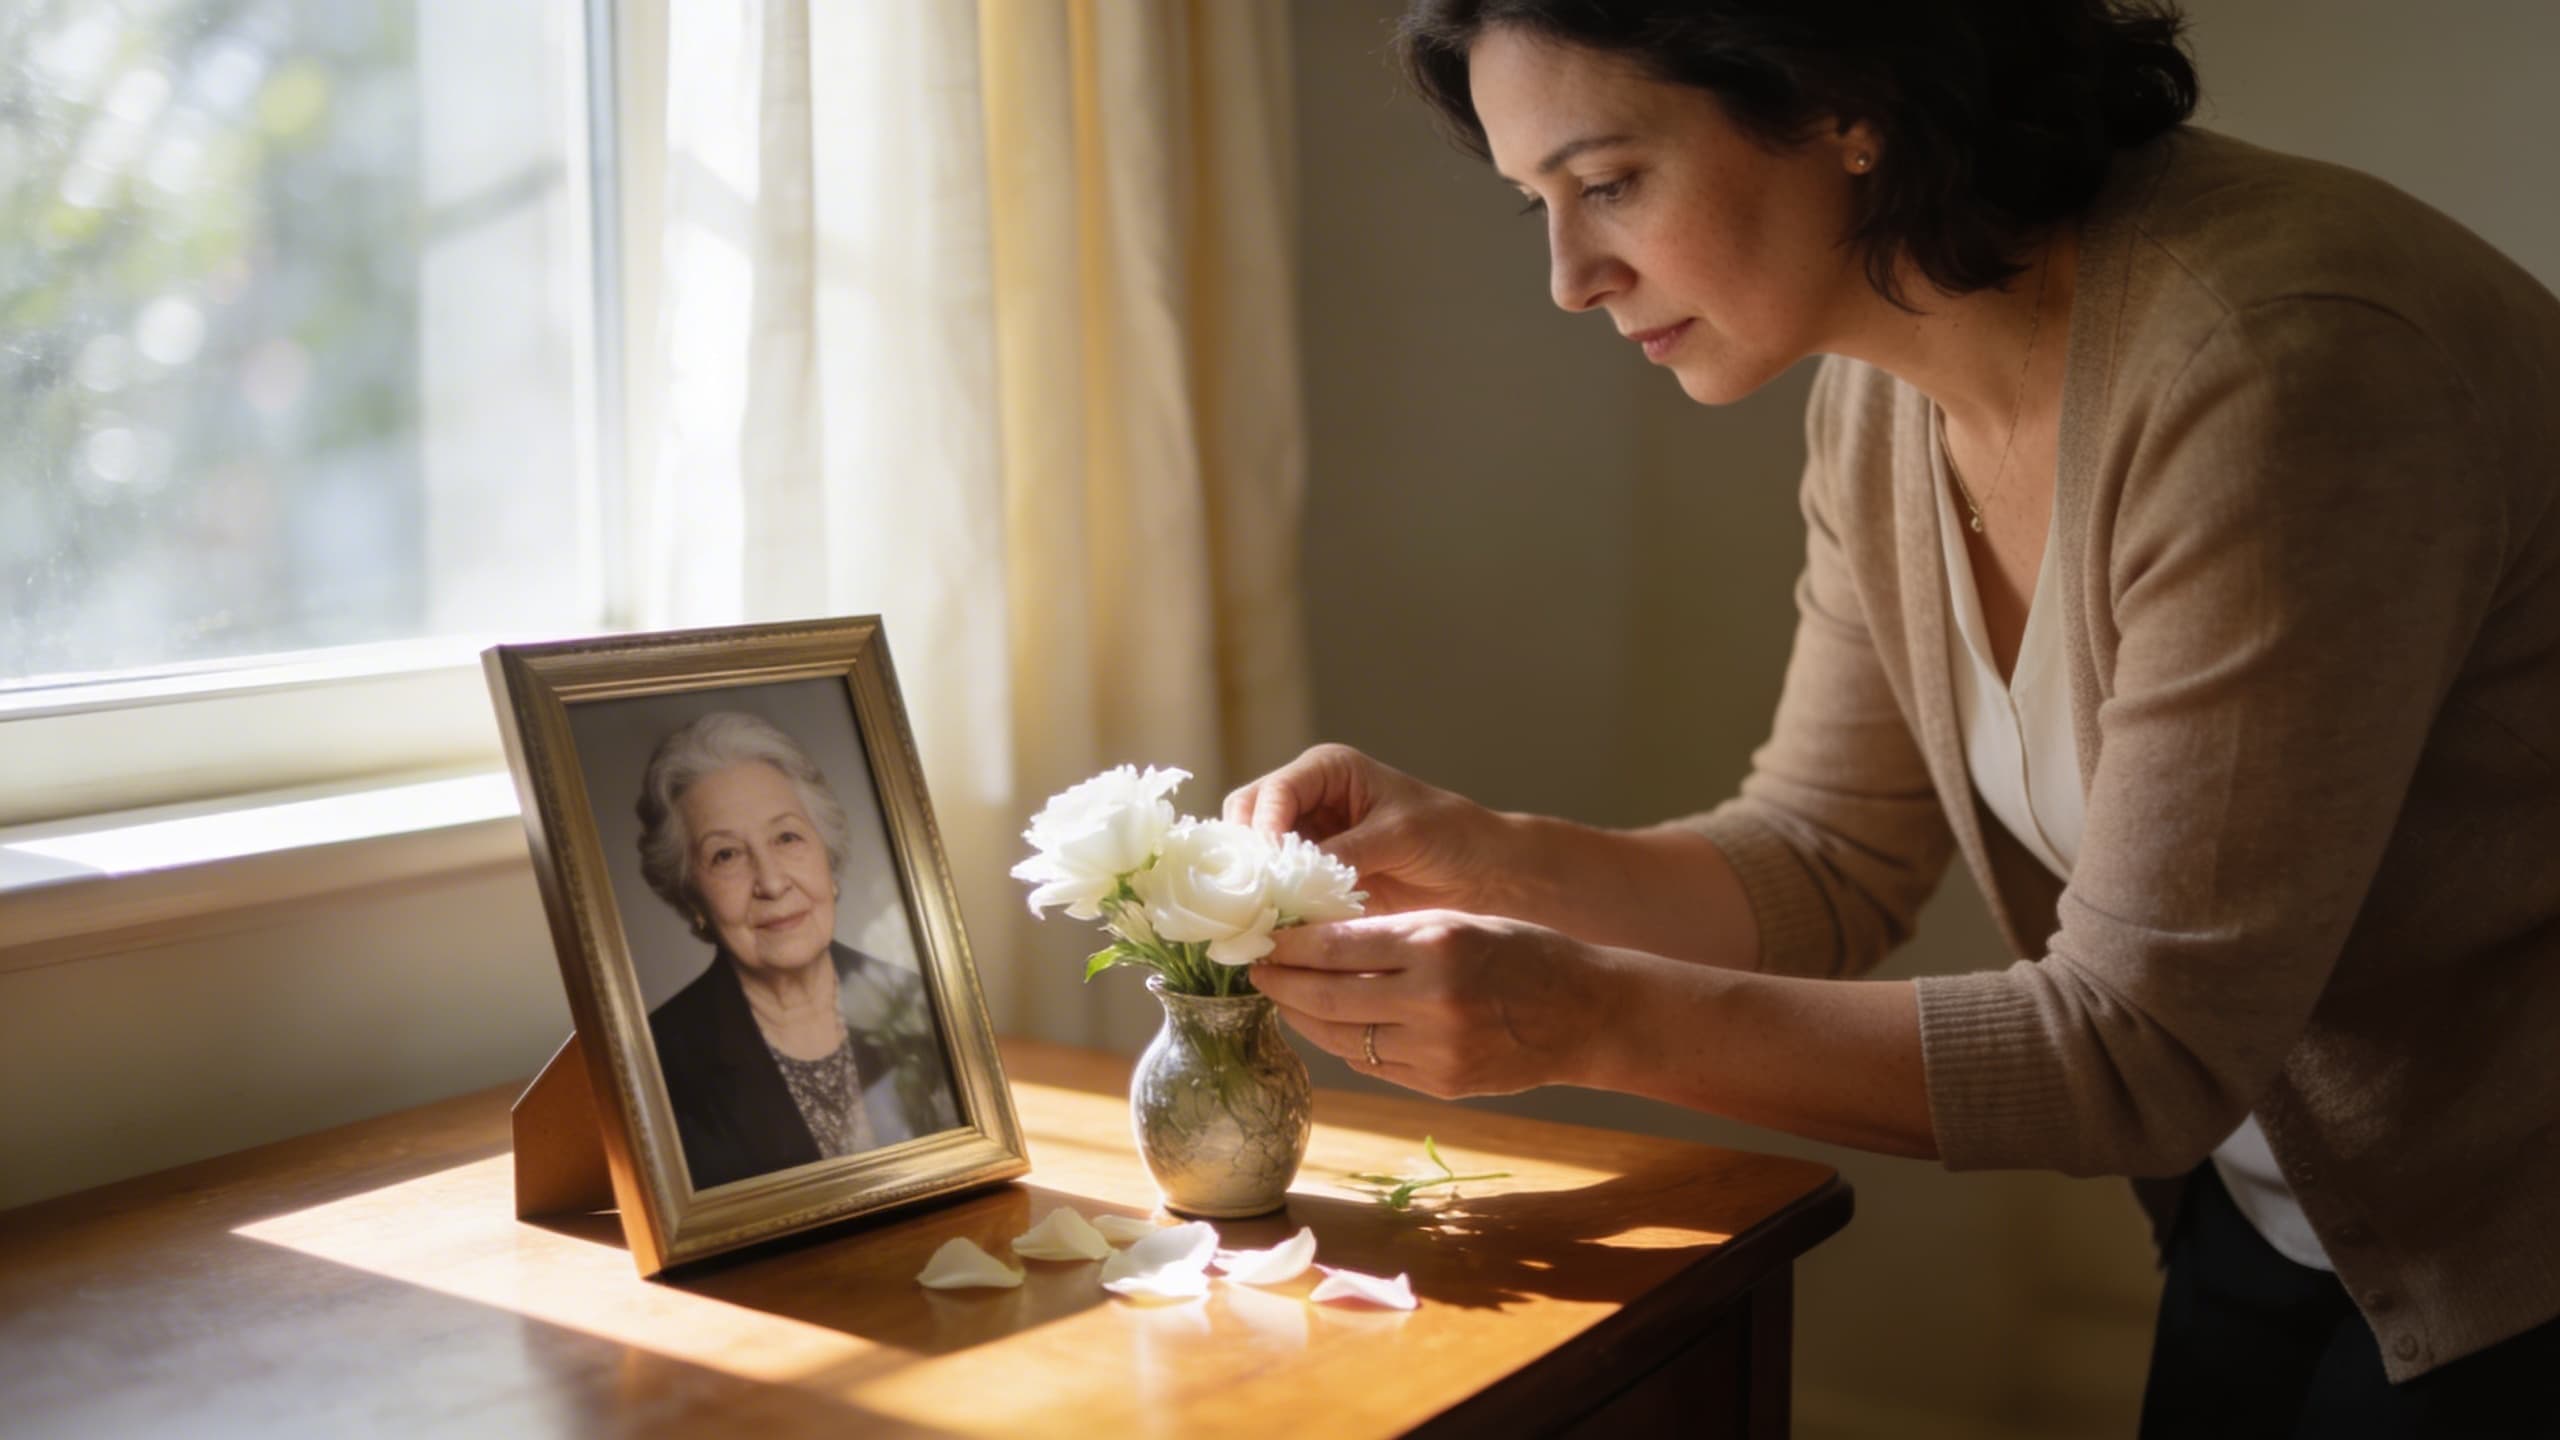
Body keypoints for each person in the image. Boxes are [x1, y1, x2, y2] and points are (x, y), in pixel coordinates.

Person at [1232, 2, 2560, 1433]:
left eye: (1610, 181)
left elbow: (2140, 1055)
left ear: (1842, 101)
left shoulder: (2280, 368)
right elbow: (1825, 861)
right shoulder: (1884, 391)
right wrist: (1483, 854)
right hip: (2281, 1210)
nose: (1568, 277)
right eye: (1536, 203)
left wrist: (1575, 1013)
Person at [635, 709, 960, 1191]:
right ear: (692, 895)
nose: (769, 881)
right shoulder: (659, 1060)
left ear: (826, 858)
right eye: (725, 855)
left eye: (787, 837)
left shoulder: (925, 1004)